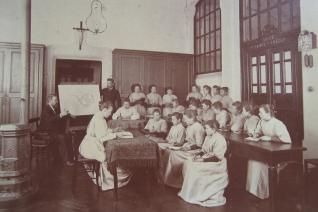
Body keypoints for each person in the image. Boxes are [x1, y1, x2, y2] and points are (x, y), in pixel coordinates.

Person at [79, 101, 132, 191]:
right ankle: (109, 181)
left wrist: (113, 130)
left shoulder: (99, 116)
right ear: (104, 110)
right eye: (110, 112)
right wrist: (116, 135)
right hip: (90, 145)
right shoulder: (100, 119)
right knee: (106, 157)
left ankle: (108, 177)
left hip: (90, 142)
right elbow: (102, 137)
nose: (110, 114)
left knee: (107, 154)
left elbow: (103, 131)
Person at [246, 104, 291, 199]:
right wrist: (255, 134)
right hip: (267, 149)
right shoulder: (262, 121)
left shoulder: (278, 123)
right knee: (252, 161)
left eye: (261, 112)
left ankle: (264, 193)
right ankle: (254, 192)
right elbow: (258, 131)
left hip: (278, 151)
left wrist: (270, 138)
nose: (259, 114)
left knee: (259, 163)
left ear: (268, 112)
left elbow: (287, 140)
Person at [179, 120, 228, 207]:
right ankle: (191, 192)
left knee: (195, 168)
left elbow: (217, 157)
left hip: (217, 163)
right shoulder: (208, 137)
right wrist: (197, 155)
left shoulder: (220, 139)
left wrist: (202, 160)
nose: (205, 130)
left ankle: (199, 194)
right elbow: (204, 150)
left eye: (207, 128)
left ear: (213, 129)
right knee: (188, 163)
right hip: (207, 157)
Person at [163, 110, 205, 188]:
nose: (184, 121)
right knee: (170, 152)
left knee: (173, 155)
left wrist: (188, 147)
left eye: (186, 119)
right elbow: (187, 139)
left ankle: (176, 182)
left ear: (192, 118)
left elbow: (200, 145)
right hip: (187, 147)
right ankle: (170, 179)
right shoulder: (189, 126)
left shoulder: (198, 127)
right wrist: (181, 145)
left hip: (195, 151)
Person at [39, 94, 74, 166]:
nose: (57, 102)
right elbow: (50, 120)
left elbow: (58, 118)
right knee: (62, 138)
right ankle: (66, 161)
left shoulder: (54, 109)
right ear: (50, 101)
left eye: (57, 100)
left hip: (53, 131)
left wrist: (68, 114)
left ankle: (70, 158)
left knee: (68, 136)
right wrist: (61, 115)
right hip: (46, 133)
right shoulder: (46, 109)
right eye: (55, 100)